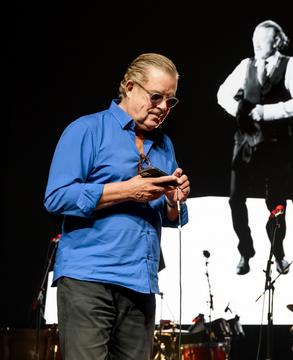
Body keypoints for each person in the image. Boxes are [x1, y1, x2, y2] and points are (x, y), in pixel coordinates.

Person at [43, 53, 190, 359]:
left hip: (140, 284)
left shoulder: (164, 145)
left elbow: (169, 214)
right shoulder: (87, 130)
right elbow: (56, 197)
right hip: (89, 280)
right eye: (156, 97)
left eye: (171, 101)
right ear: (130, 86)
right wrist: (127, 190)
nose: (163, 107)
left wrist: (174, 201)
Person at [217, 19, 293, 275]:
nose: (257, 45)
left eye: (262, 41)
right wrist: (241, 110)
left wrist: (267, 112)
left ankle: (278, 251)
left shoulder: (290, 65)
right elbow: (222, 93)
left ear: (276, 42)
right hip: (245, 141)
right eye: (254, 41)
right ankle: (245, 251)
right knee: (236, 199)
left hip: (276, 143)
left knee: (277, 203)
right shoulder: (246, 65)